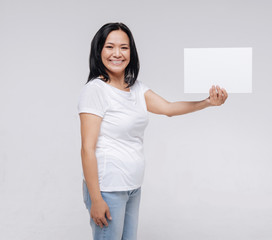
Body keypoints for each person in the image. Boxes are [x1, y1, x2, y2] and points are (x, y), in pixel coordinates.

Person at [78, 22, 228, 240]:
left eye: (124, 47)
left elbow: (168, 109)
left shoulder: (137, 88)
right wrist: (96, 199)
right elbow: (87, 149)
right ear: (98, 50)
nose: (117, 53)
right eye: (110, 47)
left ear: (132, 52)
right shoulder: (95, 90)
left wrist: (207, 102)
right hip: (108, 188)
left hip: (132, 186)